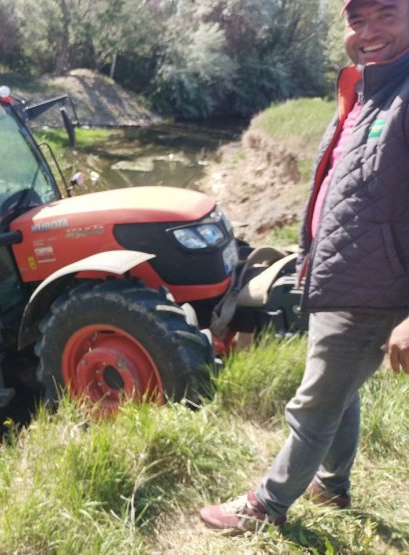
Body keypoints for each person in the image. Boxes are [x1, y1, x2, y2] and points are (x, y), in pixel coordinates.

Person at [199, 0, 409, 531]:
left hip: (372, 287)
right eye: (356, 20)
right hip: (341, 272)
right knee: (338, 389)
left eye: (387, 14)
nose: (369, 31)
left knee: (314, 402)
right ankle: (332, 486)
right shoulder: (366, 89)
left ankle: (266, 506)